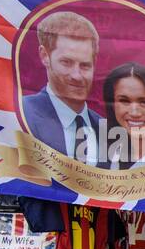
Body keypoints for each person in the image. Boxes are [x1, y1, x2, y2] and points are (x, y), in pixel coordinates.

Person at [21, 11, 103, 164]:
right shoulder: (20, 114)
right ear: (45, 56)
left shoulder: (108, 130)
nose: (77, 76)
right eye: (66, 62)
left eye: (85, 65)